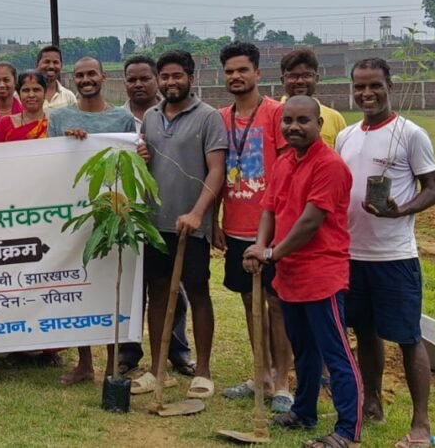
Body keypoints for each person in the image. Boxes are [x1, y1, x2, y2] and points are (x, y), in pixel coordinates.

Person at [244, 96, 362, 448]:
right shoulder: (284, 162)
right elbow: (269, 209)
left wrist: (271, 253)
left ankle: (348, 431)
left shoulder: (330, 165)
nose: (294, 127)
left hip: (322, 275)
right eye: (288, 121)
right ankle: (303, 411)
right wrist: (259, 247)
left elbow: (311, 221)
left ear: (319, 124)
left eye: (303, 121)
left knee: (336, 353)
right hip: (289, 275)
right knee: (304, 350)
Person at [336, 58, 435, 448]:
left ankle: (421, 423)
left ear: (390, 86)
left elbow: (433, 189)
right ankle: (373, 403)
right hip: (353, 255)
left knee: (408, 337)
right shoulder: (345, 136)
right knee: (364, 332)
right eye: (360, 86)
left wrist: (401, 209)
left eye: (375, 85)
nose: (367, 93)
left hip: (394, 257)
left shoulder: (411, 134)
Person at [134, 50, 226, 399]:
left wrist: (199, 213)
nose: (171, 82)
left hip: (191, 225)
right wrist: (142, 158)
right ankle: (157, 368)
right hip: (155, 223)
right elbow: (148, 166)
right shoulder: (151, 117)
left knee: (198, 292)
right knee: (157, 292)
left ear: (190, 78)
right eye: (165, 76)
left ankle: (203, 371)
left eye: (177, 76)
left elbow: (216, 171)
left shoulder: (208, 117)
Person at [47, 57, 138, 385]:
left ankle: (113, 363)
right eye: (80, 75)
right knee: (78, 284)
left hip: (112, 212)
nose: (86, 80)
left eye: (91, 74)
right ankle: (84, 363)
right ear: (74, 79)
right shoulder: (59, 118)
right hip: (73, 213)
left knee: (112, 283)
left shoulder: (122, 119)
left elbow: (130, 161)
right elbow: (48, 162)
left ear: (103, 76)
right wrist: (66, 144)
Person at [214, 42, 294, 412]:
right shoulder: (220, 118)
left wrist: (280, 225)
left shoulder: (276, 114)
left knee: (277, 304)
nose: (236, 76)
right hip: (235, 225)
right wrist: (215, 220)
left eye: (242, 70)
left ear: (258, 73)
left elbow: (287, 171)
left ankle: (282, 382)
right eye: (230, 71)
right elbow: (215, 172)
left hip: (273, 228)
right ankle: (260, 374)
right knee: (250, 303)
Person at [116, 55, 195, 378]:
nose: (138, 85)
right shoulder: (116, 120)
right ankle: (128, 353)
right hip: (130, 217)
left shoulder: (172, 117)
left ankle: (177, 351)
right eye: (131, 80)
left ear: (156, 81)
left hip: (169, 216)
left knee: (172, 288)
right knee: (133, 289)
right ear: (124, 83)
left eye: (145, 78)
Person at [280, 48, 347, 148]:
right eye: (293, 76)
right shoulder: (271, 116)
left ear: (316, 78)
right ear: (282, 80)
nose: (300, 81)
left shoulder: (334, 118)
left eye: (307, 75)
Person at [0, 70, 47, 142]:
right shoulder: (5, 123)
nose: (31, 95)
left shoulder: (54, 123)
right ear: (19, 94)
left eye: (36, 90)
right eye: (26, 90)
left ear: (45, 93)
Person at [36, 45, 77, 111]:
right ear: (37, 65)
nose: (51, 66)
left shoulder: (69, 97)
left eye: (55, 62)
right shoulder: (25, 97)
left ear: (61, 66)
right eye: (47, 62)